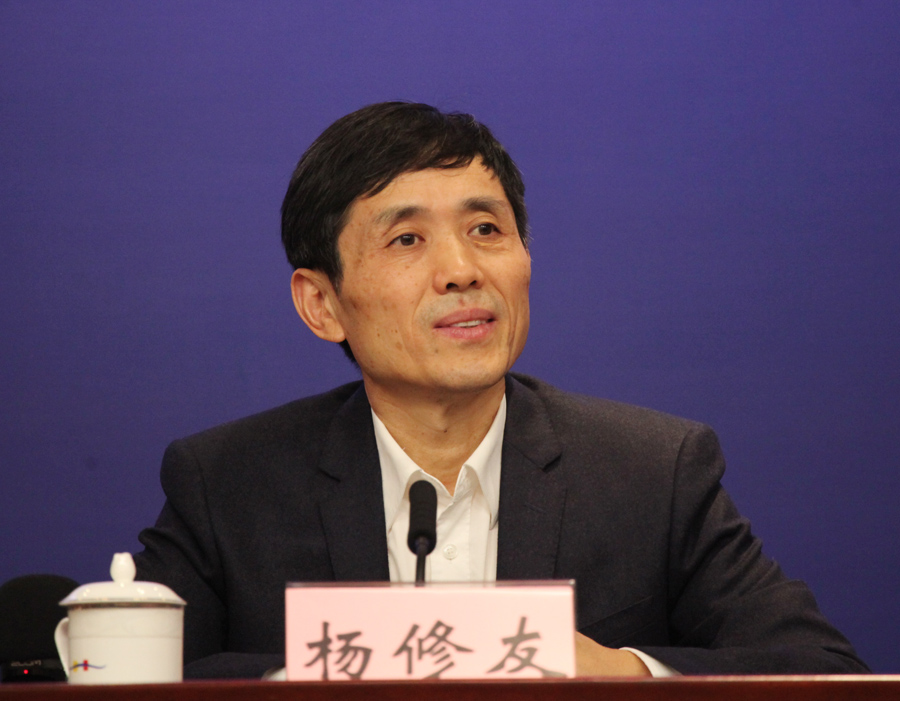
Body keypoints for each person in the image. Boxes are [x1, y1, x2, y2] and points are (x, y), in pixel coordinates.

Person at [134, 102, 867, 679]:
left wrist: (625, 672)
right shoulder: (227, 484)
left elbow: (823, 671)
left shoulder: (652, 472)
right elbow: (133, 677)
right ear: (321, 303)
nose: (462, 270)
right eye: (407, 239)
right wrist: (308, 679)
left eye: (486, 228)